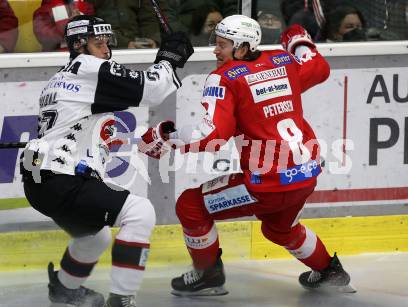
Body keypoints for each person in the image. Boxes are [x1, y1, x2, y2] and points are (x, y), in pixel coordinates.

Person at [139, 15, 356, 296]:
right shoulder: (283, 62)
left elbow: (212, 136)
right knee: (279, 230)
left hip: (267, 183)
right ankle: (331, 272)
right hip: (305, 176)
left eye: (222, 45)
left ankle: (208, 276)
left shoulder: (225, 78)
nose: (215, 51)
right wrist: (298, 39)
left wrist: (165, 136)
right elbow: (318, 66)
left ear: (242, 47)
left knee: (190, 205)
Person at [20, 14, 193, 307]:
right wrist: (169, 58)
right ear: (78, 45)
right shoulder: (87, 67)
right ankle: (122, 299)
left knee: (94, 238)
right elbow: (151, 90)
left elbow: (88, 129)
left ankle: (63, 288)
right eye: (98, 43)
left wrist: (141, 141)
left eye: (107, 43)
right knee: (139, 212)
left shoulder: (60, 79)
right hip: (61, 176)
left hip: (39, 179)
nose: (106, 50)